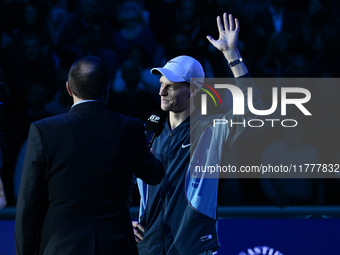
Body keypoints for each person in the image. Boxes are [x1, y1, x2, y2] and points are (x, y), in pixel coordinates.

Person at [133, 13, 261, 254]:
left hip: (192, 248)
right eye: (161, 84)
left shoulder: (211, 130)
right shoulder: (148, 132)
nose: (161, 91)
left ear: (193, 89)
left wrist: (232, 55)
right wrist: (121, 219)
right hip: (148, 249)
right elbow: (116, 179)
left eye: (170, 86)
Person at [14, 56, 164, 255]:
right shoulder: (130, 128)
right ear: (107, 90)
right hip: (115, 247)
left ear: (68, 88)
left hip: (62, 248)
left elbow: (28, 205)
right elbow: (154, 175)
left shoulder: (44, 131)